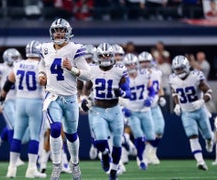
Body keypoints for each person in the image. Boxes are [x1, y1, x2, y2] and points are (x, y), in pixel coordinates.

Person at [38, 18, 91, 180]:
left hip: (70, 98)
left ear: (68, 32)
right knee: (55, 128)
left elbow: (88, 75)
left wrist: (72, 69)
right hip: (52, 96)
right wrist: (41, 76)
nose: (58, 33)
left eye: (61, 30)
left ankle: (74, 164)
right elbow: (42, 66)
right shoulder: (45, 48)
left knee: (71, 134)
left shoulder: (75, 49)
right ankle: (56, 165)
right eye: (56, 30)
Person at [81, 43, 131, 180]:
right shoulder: (92, 69)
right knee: (101, 141)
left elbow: (128, 92)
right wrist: (84, 99)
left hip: (115, 110)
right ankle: (103, 153)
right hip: (98, 110)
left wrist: (120, 92)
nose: (105, 57)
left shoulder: (119, 70)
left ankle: (114, 170)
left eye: (108, 55)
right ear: (97, 57)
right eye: (102, 55)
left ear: (112, 55)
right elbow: (86, 87)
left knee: (116, 143)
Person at [2, 40, 46, 178]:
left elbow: (8, 82)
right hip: (36, 102)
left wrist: (2, 98)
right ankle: (32, 169)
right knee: (35, 136)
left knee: (17, 136)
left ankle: (11, 169)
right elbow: (45, 82)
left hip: (19, 102)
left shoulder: (18, 64)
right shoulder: (41, 65)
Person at [169, 55, 214, 170]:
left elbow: (209, 91)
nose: (179, 71)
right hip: (187, 113)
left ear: (187, 66)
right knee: (192, 136)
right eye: (177, 68)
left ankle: (209, 141)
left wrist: (202, 101)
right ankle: (200, 161)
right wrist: (177, 104)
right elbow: (174, 92)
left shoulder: (196, 76)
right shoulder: (173, 78)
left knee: (208, 135)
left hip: (200, 110)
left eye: (181, 68)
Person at [120, 53, 157, 171]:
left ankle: (141, 152)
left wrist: (151, 98)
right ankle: (141, 159)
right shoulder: (122, 78)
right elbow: (118, 96)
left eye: (132, 64)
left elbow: (152, 90)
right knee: (139, 136)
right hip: (132, 111)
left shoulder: (145, 74)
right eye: (128, 65)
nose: (131, 66)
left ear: (136, 64)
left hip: (145, 110)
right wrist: (123, 108)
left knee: (151, 137)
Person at [0, 48, 25, 167]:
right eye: (13, 57)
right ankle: (15, 157)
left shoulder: (21, 66)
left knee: (16, 125)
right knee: (14, 126)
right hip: (6, 100)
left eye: (17, 57)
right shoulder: (1, 68)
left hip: (19, 99)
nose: (16, 60)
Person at [138, 51, 166, 165]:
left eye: (146, 61)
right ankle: (143, 155)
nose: (144, 64)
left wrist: (161, 97)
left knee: (159, 130)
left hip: (154, 106)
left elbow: (159, 87)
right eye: (142, 62)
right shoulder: (136, 75)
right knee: (145, 133)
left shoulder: (157, 73)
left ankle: (152, 152)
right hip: (143, 108)